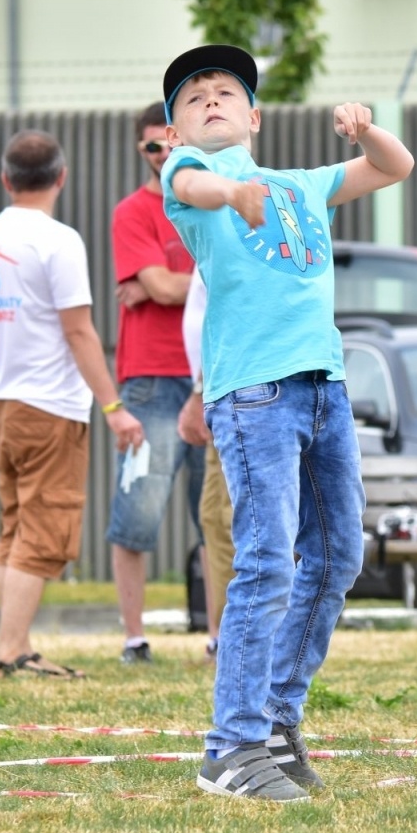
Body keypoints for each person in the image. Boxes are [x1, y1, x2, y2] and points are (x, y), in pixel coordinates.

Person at [160, 44, 412, 802]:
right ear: (174, 131)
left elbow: (394, 167)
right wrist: (232, 194)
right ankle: (229, 749)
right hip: (252, 395)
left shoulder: (301, 183)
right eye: (193, 96)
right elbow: (201, 188)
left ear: (255, 116)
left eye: (225, 90)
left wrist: (366, 132)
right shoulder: (184, 176)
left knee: (336, 559)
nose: (210, 98)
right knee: (267, 562)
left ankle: (275, 717)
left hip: (324, 387)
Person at [0, 130, 145, 679]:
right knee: (44, 533)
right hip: (50, 407)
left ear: (6, 179)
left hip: (5, 400)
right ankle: (6, 653)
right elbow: (79, 332)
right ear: (61, 177)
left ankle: (15, 645)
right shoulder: (58, 240)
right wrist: (114, 407)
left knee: (15, 528)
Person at [106, 102, 201, 666]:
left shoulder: (212, 197)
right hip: (148, 381)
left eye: (168, 143)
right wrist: (175, 283)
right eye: (150, 148)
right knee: (137, 515)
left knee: (218, 515)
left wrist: (167, 283)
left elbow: (168, 286)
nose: (162, 155)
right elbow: (160, 287)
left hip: (211, 375)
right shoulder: (132, 213)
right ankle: (134, 638)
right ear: (140, 152)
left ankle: (220, 638)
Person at [177, 267, 235, 665]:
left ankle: (240, 641)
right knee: (214, 517)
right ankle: (223, 638)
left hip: (228, 390)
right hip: (220, 391)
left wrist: (199, 392)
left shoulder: (227, 230)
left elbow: (224, 316)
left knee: (232, 521)